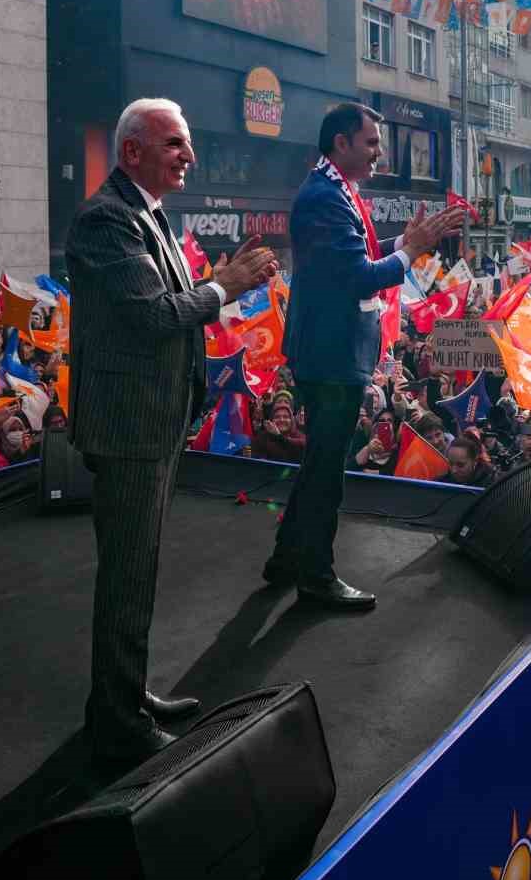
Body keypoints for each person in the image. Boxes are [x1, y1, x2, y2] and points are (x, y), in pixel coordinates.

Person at [65, 96, 278, 767]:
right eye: (175, 144)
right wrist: (226, 286)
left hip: (152, 423)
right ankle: (116, 722)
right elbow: (155, 317)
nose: (190, 155)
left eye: (186, 142)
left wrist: (221, 280)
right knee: (127, 576)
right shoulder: (106, 219)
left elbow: (170, 307)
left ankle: (126, 694)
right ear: (132, 151)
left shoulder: (148, 212)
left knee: (139, 571)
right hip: (128, 427)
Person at [264, 102, 465, 608]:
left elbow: (362, 254)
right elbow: (358, 276)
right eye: (372, 142)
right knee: (327, 472)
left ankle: (287, 559)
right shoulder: (324, 197)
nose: (379, 152)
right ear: (341, 143)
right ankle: (316, 576)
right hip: (331, 355)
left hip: (332, 351)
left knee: (318, 463)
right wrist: (411, 251)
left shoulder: (337, 190)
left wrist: (409, 243)